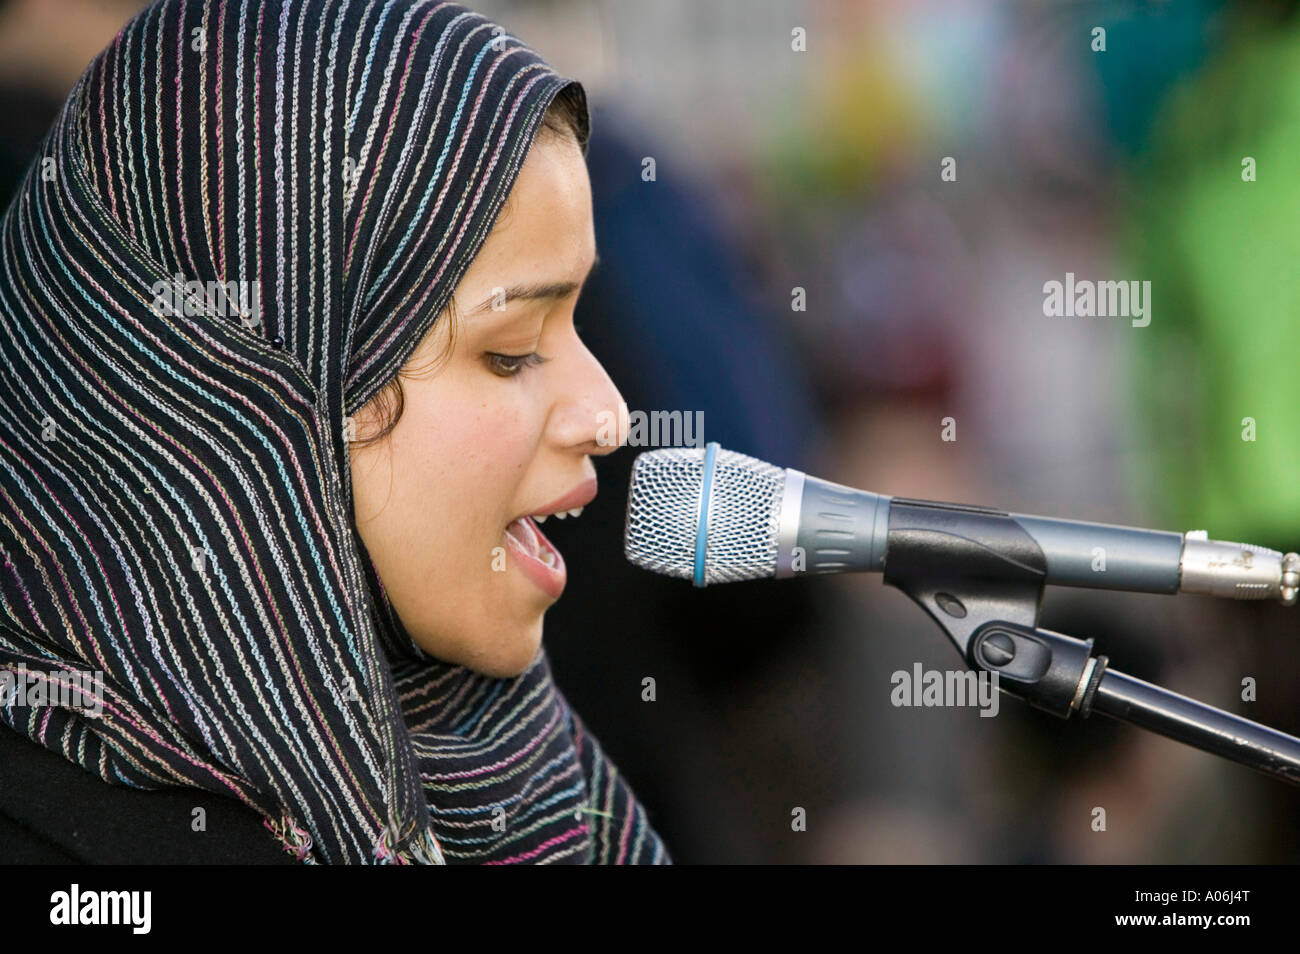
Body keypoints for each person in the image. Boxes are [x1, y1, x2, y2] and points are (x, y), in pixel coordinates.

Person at [0, 0, 669, 864]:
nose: (610, 416)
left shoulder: (546, 783)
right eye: (509, 352)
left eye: (577, 324)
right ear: (230, 397)